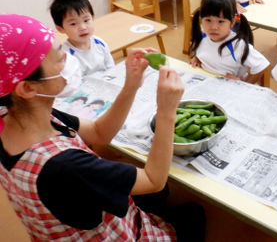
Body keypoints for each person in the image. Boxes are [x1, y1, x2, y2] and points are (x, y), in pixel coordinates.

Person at [0, 14, 204, 241]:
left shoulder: (14, 114)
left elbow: (99, 132)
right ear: (27, 88)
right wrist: (167, 111)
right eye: (60, 58)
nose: (69, 59)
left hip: (75, 213)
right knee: (194, 214)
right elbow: (154, 180)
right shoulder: (64, 167)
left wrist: (131, 85)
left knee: (156, 198)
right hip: (115, 234)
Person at [189, 0, 269, 84]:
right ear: (201, 19)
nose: (214, 27)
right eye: (208, 20)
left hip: (229, 90)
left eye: (221, 21)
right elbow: (204, 51)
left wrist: (244, 85)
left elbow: (262, 65)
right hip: (207, 83)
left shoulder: (238, 45)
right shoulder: (201, 36)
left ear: (232, 22)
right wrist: (197, 59)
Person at [50, 0, 115, 76]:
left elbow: (111, 67)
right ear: (60, 28)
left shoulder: (100, 43)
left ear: (92, 18)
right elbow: (74, 82)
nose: (82, 27)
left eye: (86, 20)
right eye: (73, 24)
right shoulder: (66, 55)